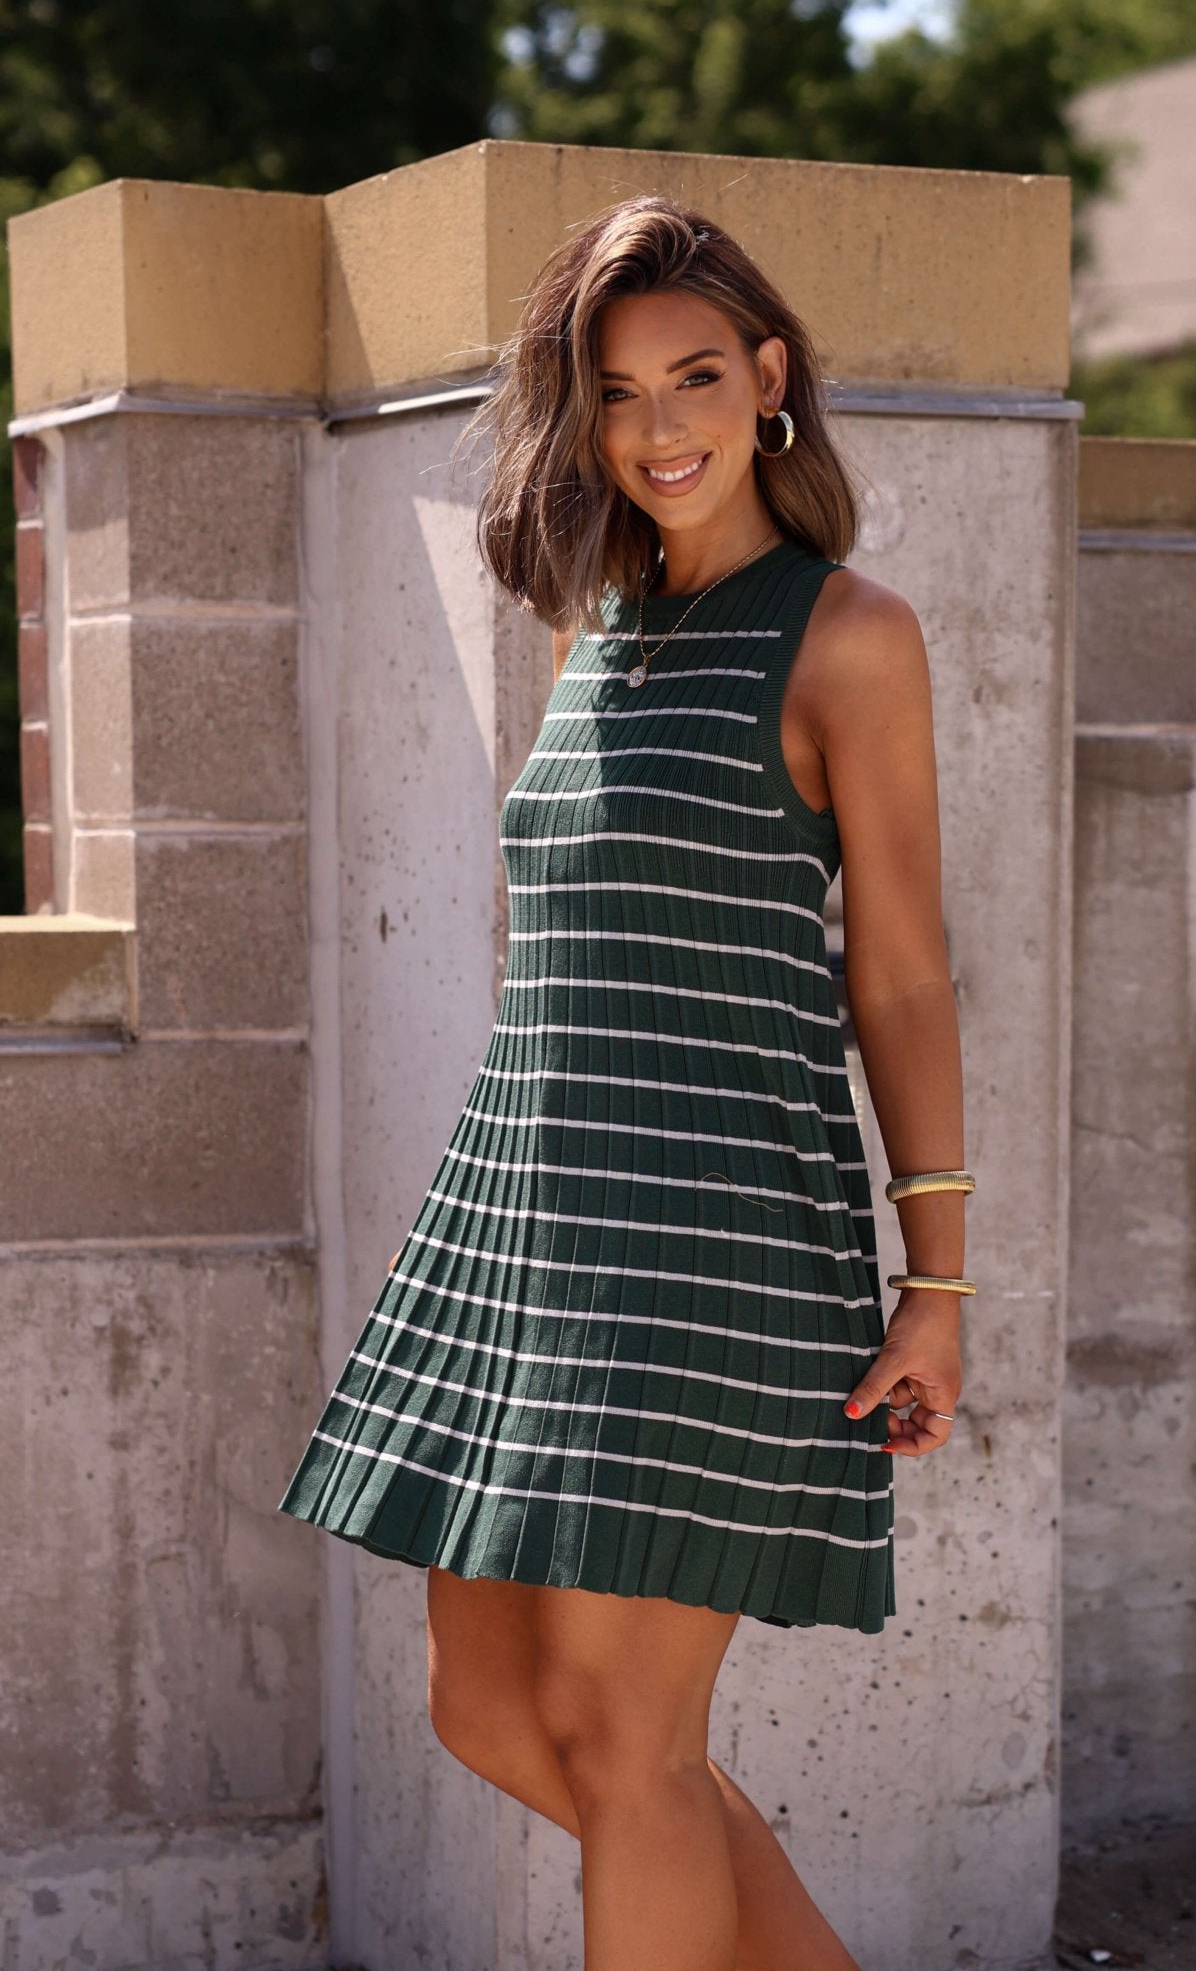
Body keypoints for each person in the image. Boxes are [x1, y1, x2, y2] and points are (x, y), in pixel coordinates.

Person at [279, 193, 972, 1971]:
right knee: (493, 1709)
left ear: (769, 383)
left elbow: (896, 974)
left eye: (692, 378)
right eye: (613, 391)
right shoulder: (600, 636)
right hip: (532, 1228)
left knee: (628, 1738)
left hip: (714, 1239)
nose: (657, 426)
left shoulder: (845, 636)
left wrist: (939, 1284)